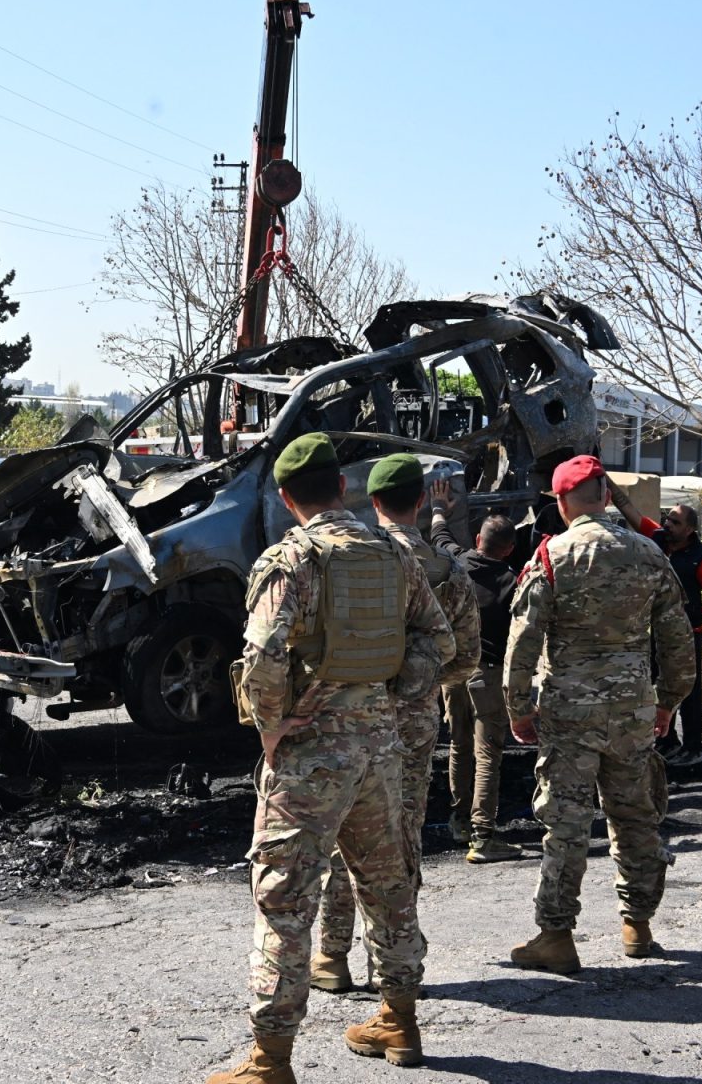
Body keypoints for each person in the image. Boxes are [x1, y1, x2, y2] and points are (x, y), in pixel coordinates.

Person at [208, 433, 450, 1083]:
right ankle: (399, 1019)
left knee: (284, 901)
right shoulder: (394, 555)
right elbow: (438, 637)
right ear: (343, 488)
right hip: (380, 749)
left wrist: (271, 725)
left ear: (286, 498)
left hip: (311, 755)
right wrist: (392, 695)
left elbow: (262, 654)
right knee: (389, 889)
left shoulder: (291, 559)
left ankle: (270, 1060)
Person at [503, 456, 694, 974]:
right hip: (632, 710)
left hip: (569, 711)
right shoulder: (650, 554)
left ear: (562, 503)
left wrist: (518, 707)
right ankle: (638, 924)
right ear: (606, 496)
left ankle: (556, 935)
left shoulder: (551, 557)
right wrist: (669, 701)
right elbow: (678, 639)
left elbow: (523, 643)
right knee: (634, 816)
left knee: (565, 823)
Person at [313, 455, 472, 995]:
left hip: (348, 716)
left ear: (372, 502)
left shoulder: (349, 557)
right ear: (421, 500)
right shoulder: (446, 569)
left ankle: (331, 956)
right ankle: (393, 964)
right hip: (415, 724)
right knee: (399, 839)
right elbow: (466, 656)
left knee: (343, 835)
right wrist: (421, 685)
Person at [429, 479, 523, 862]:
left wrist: (439, 506)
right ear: (509, 549)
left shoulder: (456, 563)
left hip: (453, 671)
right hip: (488, 674)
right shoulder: (512, 583)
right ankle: (483, 836)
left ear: (478, 539)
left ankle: (459, 821)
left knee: (459, 744)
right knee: (488, 753)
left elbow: (439, 536)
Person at [611, 494, 702, 765]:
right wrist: (604, 479)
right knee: (658, 683)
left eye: (675, 522)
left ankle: (694, 746)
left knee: (690, 689)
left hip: (689, 632)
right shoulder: (658, 538)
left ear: (689, 529)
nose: (667, 524)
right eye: (668, 519)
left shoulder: (699, 556)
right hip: (658, 629)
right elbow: (629, 508)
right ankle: (667, 740)